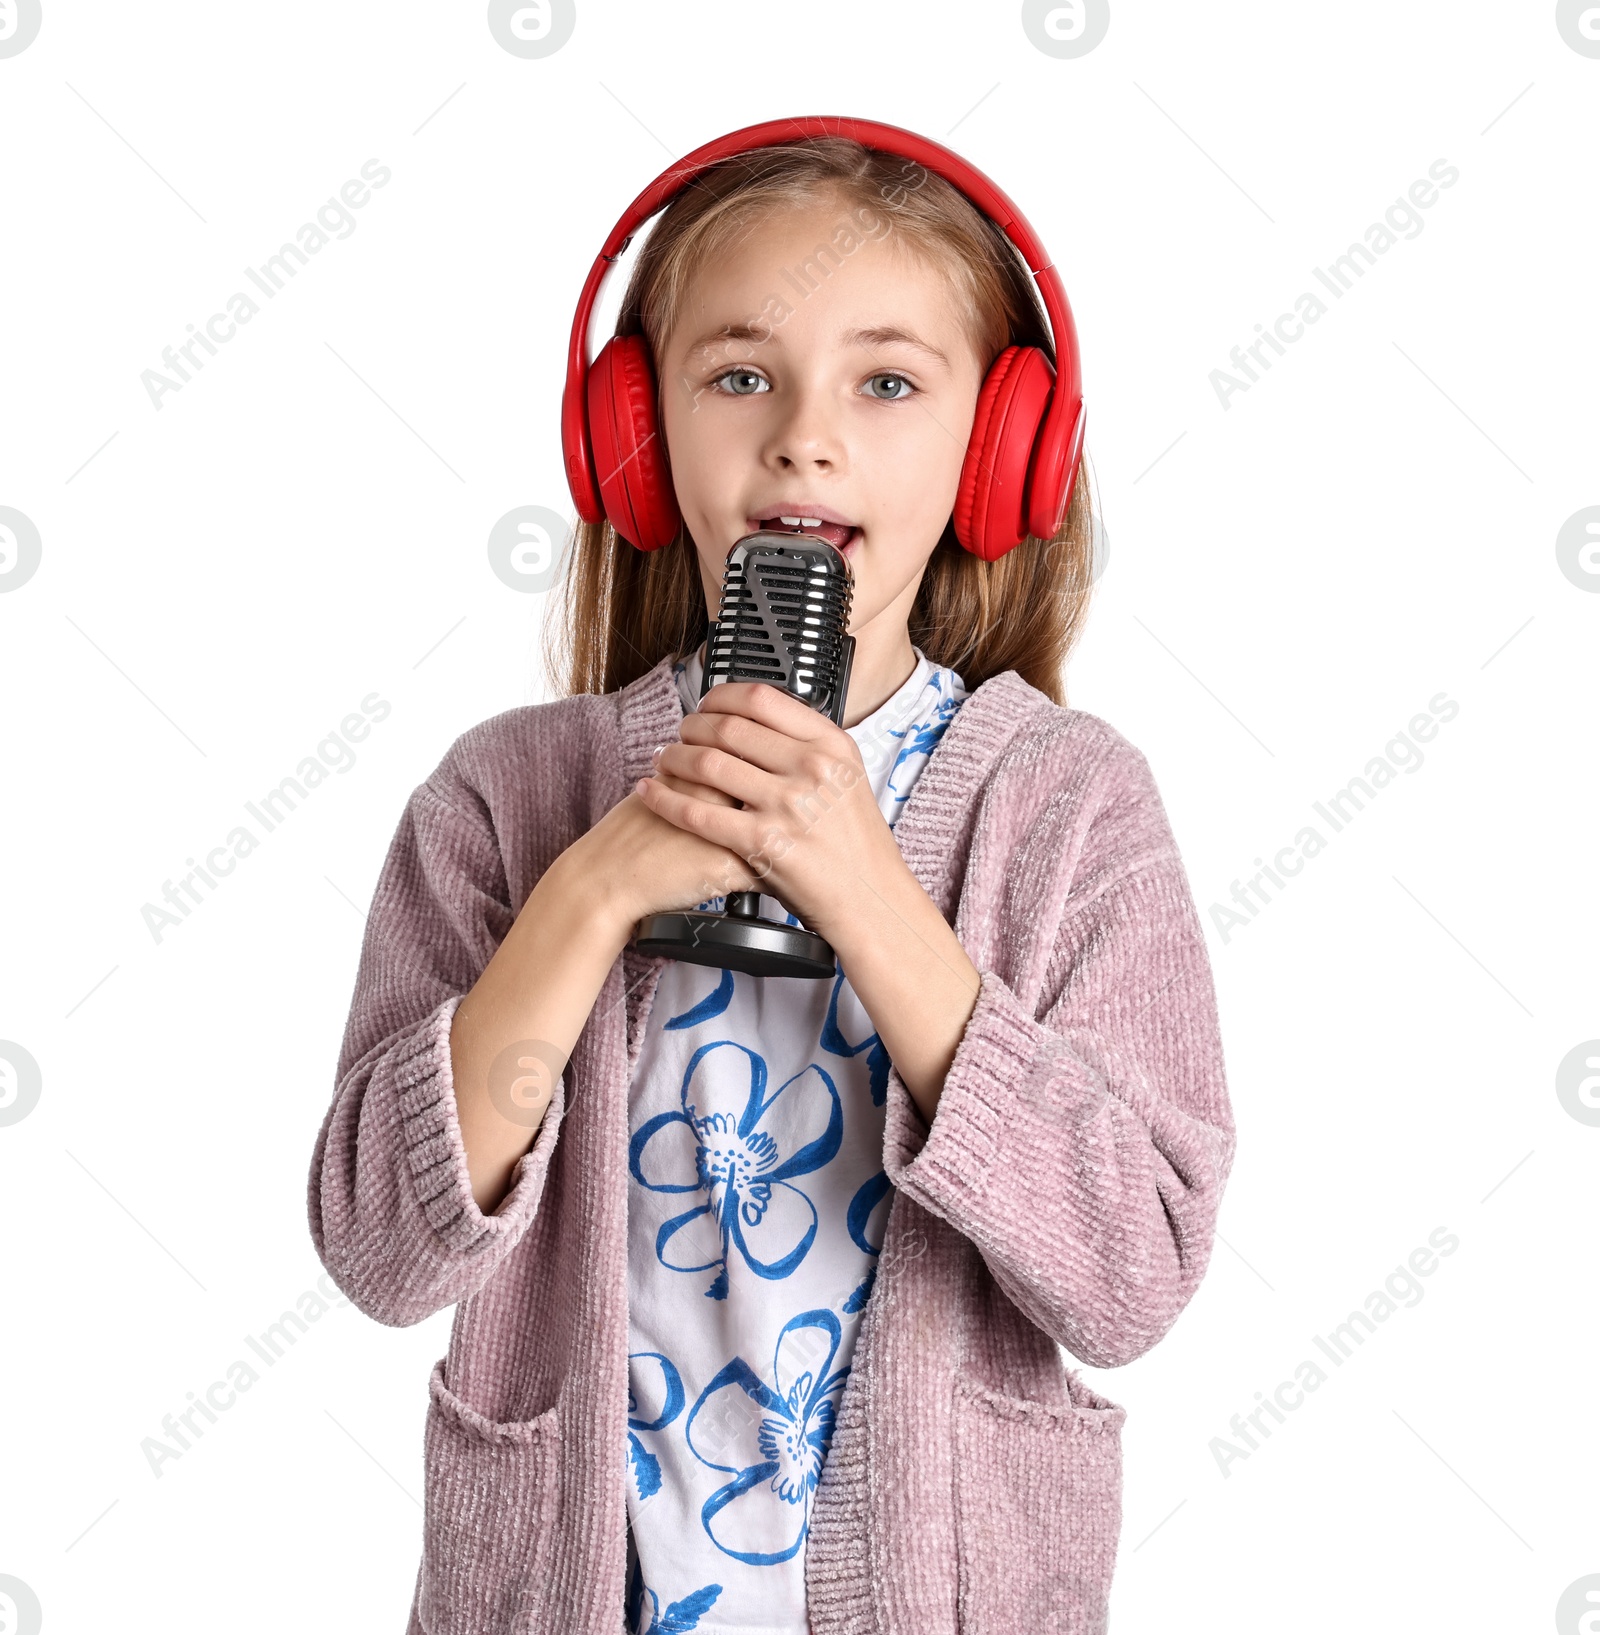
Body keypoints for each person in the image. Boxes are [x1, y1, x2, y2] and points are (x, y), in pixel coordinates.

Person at [308, 122, 1235, 1635]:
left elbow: (1132, 1275)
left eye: (887, 382)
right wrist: (593, 888)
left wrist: (865, 888)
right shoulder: (510, 794)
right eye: (740, 376)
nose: (807, 434)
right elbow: (379, 1249)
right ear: (634, 431)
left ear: (999, 453)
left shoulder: (1069, 806)